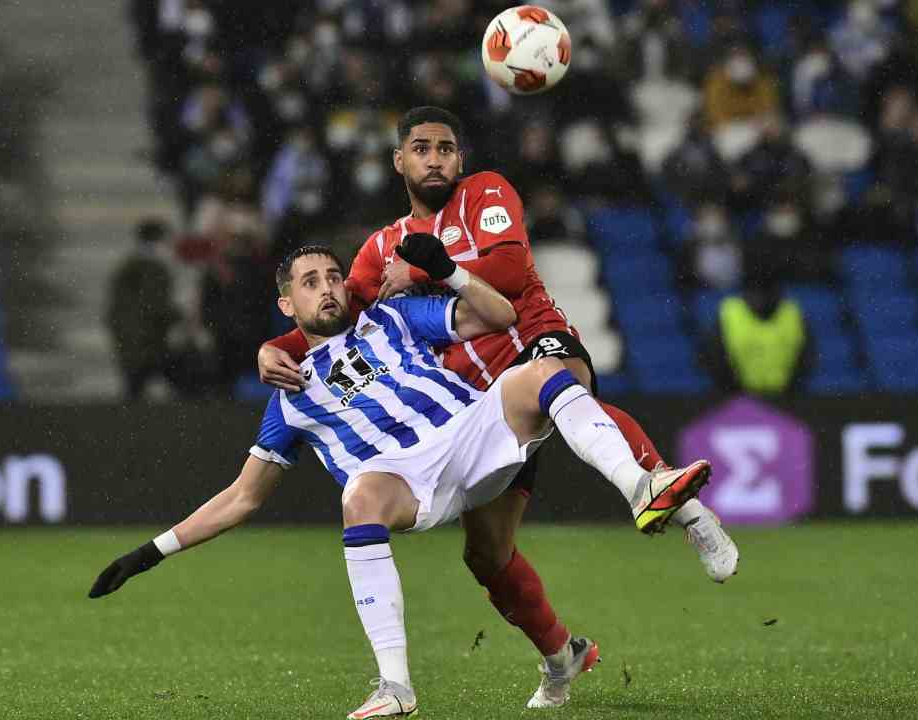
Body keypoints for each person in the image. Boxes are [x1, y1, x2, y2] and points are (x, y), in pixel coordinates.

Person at [88, 244, 711, 719]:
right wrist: (150, 552)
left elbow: (497, 315)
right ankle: (395, 685)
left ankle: (640, 487)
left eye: (334, 277)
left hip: (472, 432)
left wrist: (452, 271)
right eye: (310, 283)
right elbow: (242, 496)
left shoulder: (392, 318)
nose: (328, 289)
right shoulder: (291, 396)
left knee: (539, 371)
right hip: (408, 484)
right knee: (359, 496)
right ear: (287, 306)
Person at [256, 107, 737, 706]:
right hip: (472, 406)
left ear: (460, 159)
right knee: (486, 556)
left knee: (560, 379)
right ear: (399, 161)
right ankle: (563, 657)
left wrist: (434, 269)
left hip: (531, 336)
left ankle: (675, 504)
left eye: (446, 149)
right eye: (422, 149)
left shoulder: (487, 192)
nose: (435, 159)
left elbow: (510, 267)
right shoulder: (379, 249)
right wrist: (272, 348)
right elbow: (334, 316)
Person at [702, 251, 812, 395]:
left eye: (766, 290)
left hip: (786, 399)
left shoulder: (792, 312)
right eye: (755, 290)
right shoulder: (728, 312)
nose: (760, 297)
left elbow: (807, 358)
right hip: (738, 400)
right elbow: (714, 359)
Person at [105, 218, 184, 400]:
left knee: (135, 387)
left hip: (133, 336)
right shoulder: (152, 268)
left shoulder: (128, 266)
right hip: (145, 339)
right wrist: (178, 316)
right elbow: (154, 305)